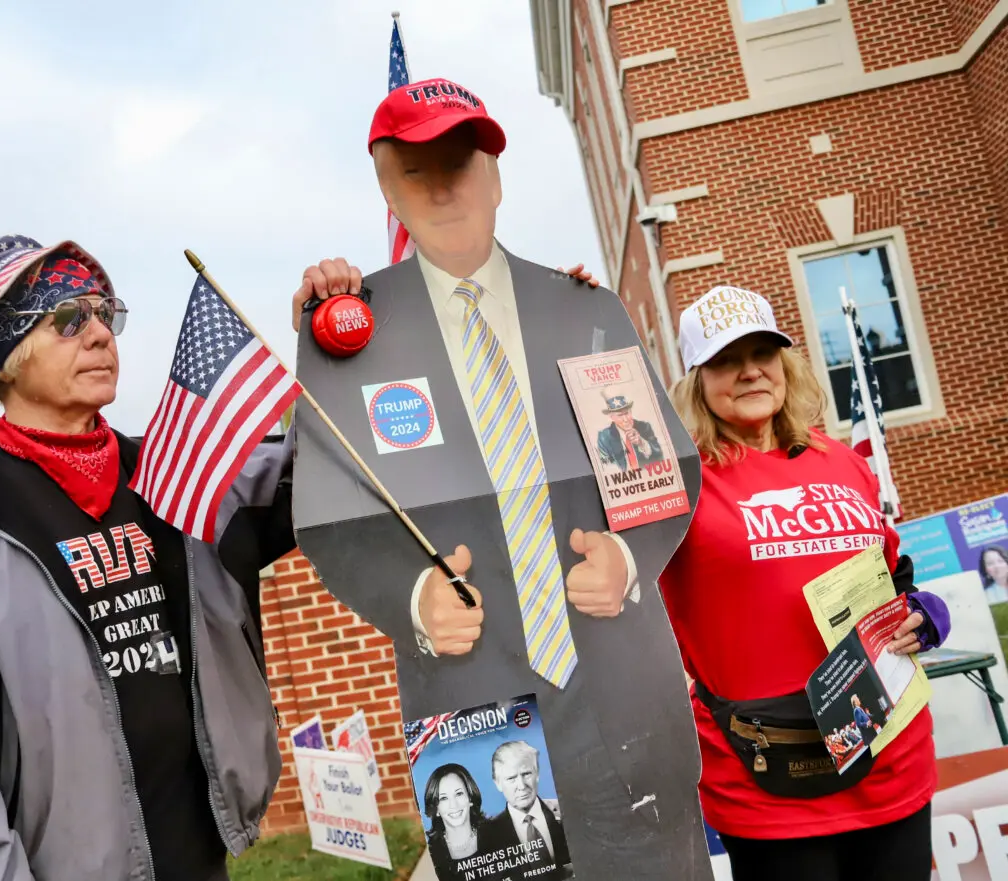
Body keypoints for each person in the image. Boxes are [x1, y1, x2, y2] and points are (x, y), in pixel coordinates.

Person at [289, 78, 711, 879]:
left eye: (461, 160)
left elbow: (665, 466)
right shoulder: (352, 333)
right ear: (386, 187)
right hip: (479, 732)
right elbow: (329, 515)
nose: (445, 184)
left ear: (495, 176)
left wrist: (627, 558)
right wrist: (414, 597)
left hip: (625, 702)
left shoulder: (582, 307)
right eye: (418, 169)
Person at [0, 236, 293, 881]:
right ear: (5, 357)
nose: (100, 334)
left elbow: (315, 477)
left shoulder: (174, 470)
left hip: (198, 850)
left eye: (106, 312)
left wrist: (333, 340)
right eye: (69, 318)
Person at [659, 284, 952, 881]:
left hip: (889, 751)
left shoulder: (840, 461)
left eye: (762, 354)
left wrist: (924, 612)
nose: (748, 373)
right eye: (724, 360)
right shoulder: (674, 482)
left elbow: (892, 577)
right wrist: (564, 313)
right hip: (768, 776)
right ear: (696, 378)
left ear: (784, 364)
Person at [480, 741, 572, 880]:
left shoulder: (566, 812)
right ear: (498, 783)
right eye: (511, 778)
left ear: (538, 774)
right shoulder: (487, 835)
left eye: (526, 774)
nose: (522, 786)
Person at [422, 763, 488, 880]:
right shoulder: (430, 857)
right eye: (444, 798)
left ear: (470, 798)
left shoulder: (497, 835)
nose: (453, 805)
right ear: (436, 809)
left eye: (458, 794)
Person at [596, 392, 664, 472]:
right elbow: (605, 466)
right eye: (620, 415)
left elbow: (660, 456)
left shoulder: (644, 427)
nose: (625, 419)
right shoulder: (604, 437)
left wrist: (641, 443)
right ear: (612, 417)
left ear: (630, 411)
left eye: (626, 413)